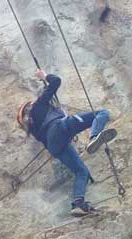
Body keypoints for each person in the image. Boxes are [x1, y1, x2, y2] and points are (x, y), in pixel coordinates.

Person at [17, 69, 117, 216]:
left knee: (81, 171)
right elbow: (56, 81)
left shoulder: (34, 129)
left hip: (56, 146)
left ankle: (78, 204)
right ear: (28, 108)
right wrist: (44, 76)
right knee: (102, 113)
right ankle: (94, 136)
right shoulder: (38, 106)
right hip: (59, 127)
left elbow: (51, 138)